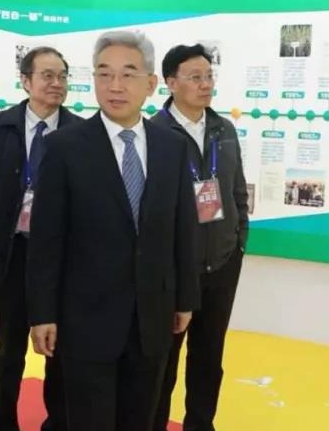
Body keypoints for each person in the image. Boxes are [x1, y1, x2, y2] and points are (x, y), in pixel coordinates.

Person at [27, 31, 200, 431]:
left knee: (142, 418)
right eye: (104, 74)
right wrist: (42, 313)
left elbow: (183, 229)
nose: (115, 86)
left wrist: (185, 298)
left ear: (151, 84)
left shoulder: (171, 147)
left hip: (153, 317)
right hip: (85, 319)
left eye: (127, 74)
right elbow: (47, 239)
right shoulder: (64, 147)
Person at [0, 46, 76, 431]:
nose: (56, 83)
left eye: (62, 76)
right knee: (9, 350)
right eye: (47, 75)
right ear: (26, 81)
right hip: (13, 255)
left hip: (62, 261)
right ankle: (2, 421)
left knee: (59, 351)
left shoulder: (81, 133)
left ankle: (58, 423)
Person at [151, 44, 248, 431]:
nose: (205, 84)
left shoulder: (224, 129)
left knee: (209, 359)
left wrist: (239, 242)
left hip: (222, 263)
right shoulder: (154, 133)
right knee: (162, 362)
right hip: (173, 270)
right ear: (171, 83)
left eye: (209, 76)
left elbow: (236, 191)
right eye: (195, 77)